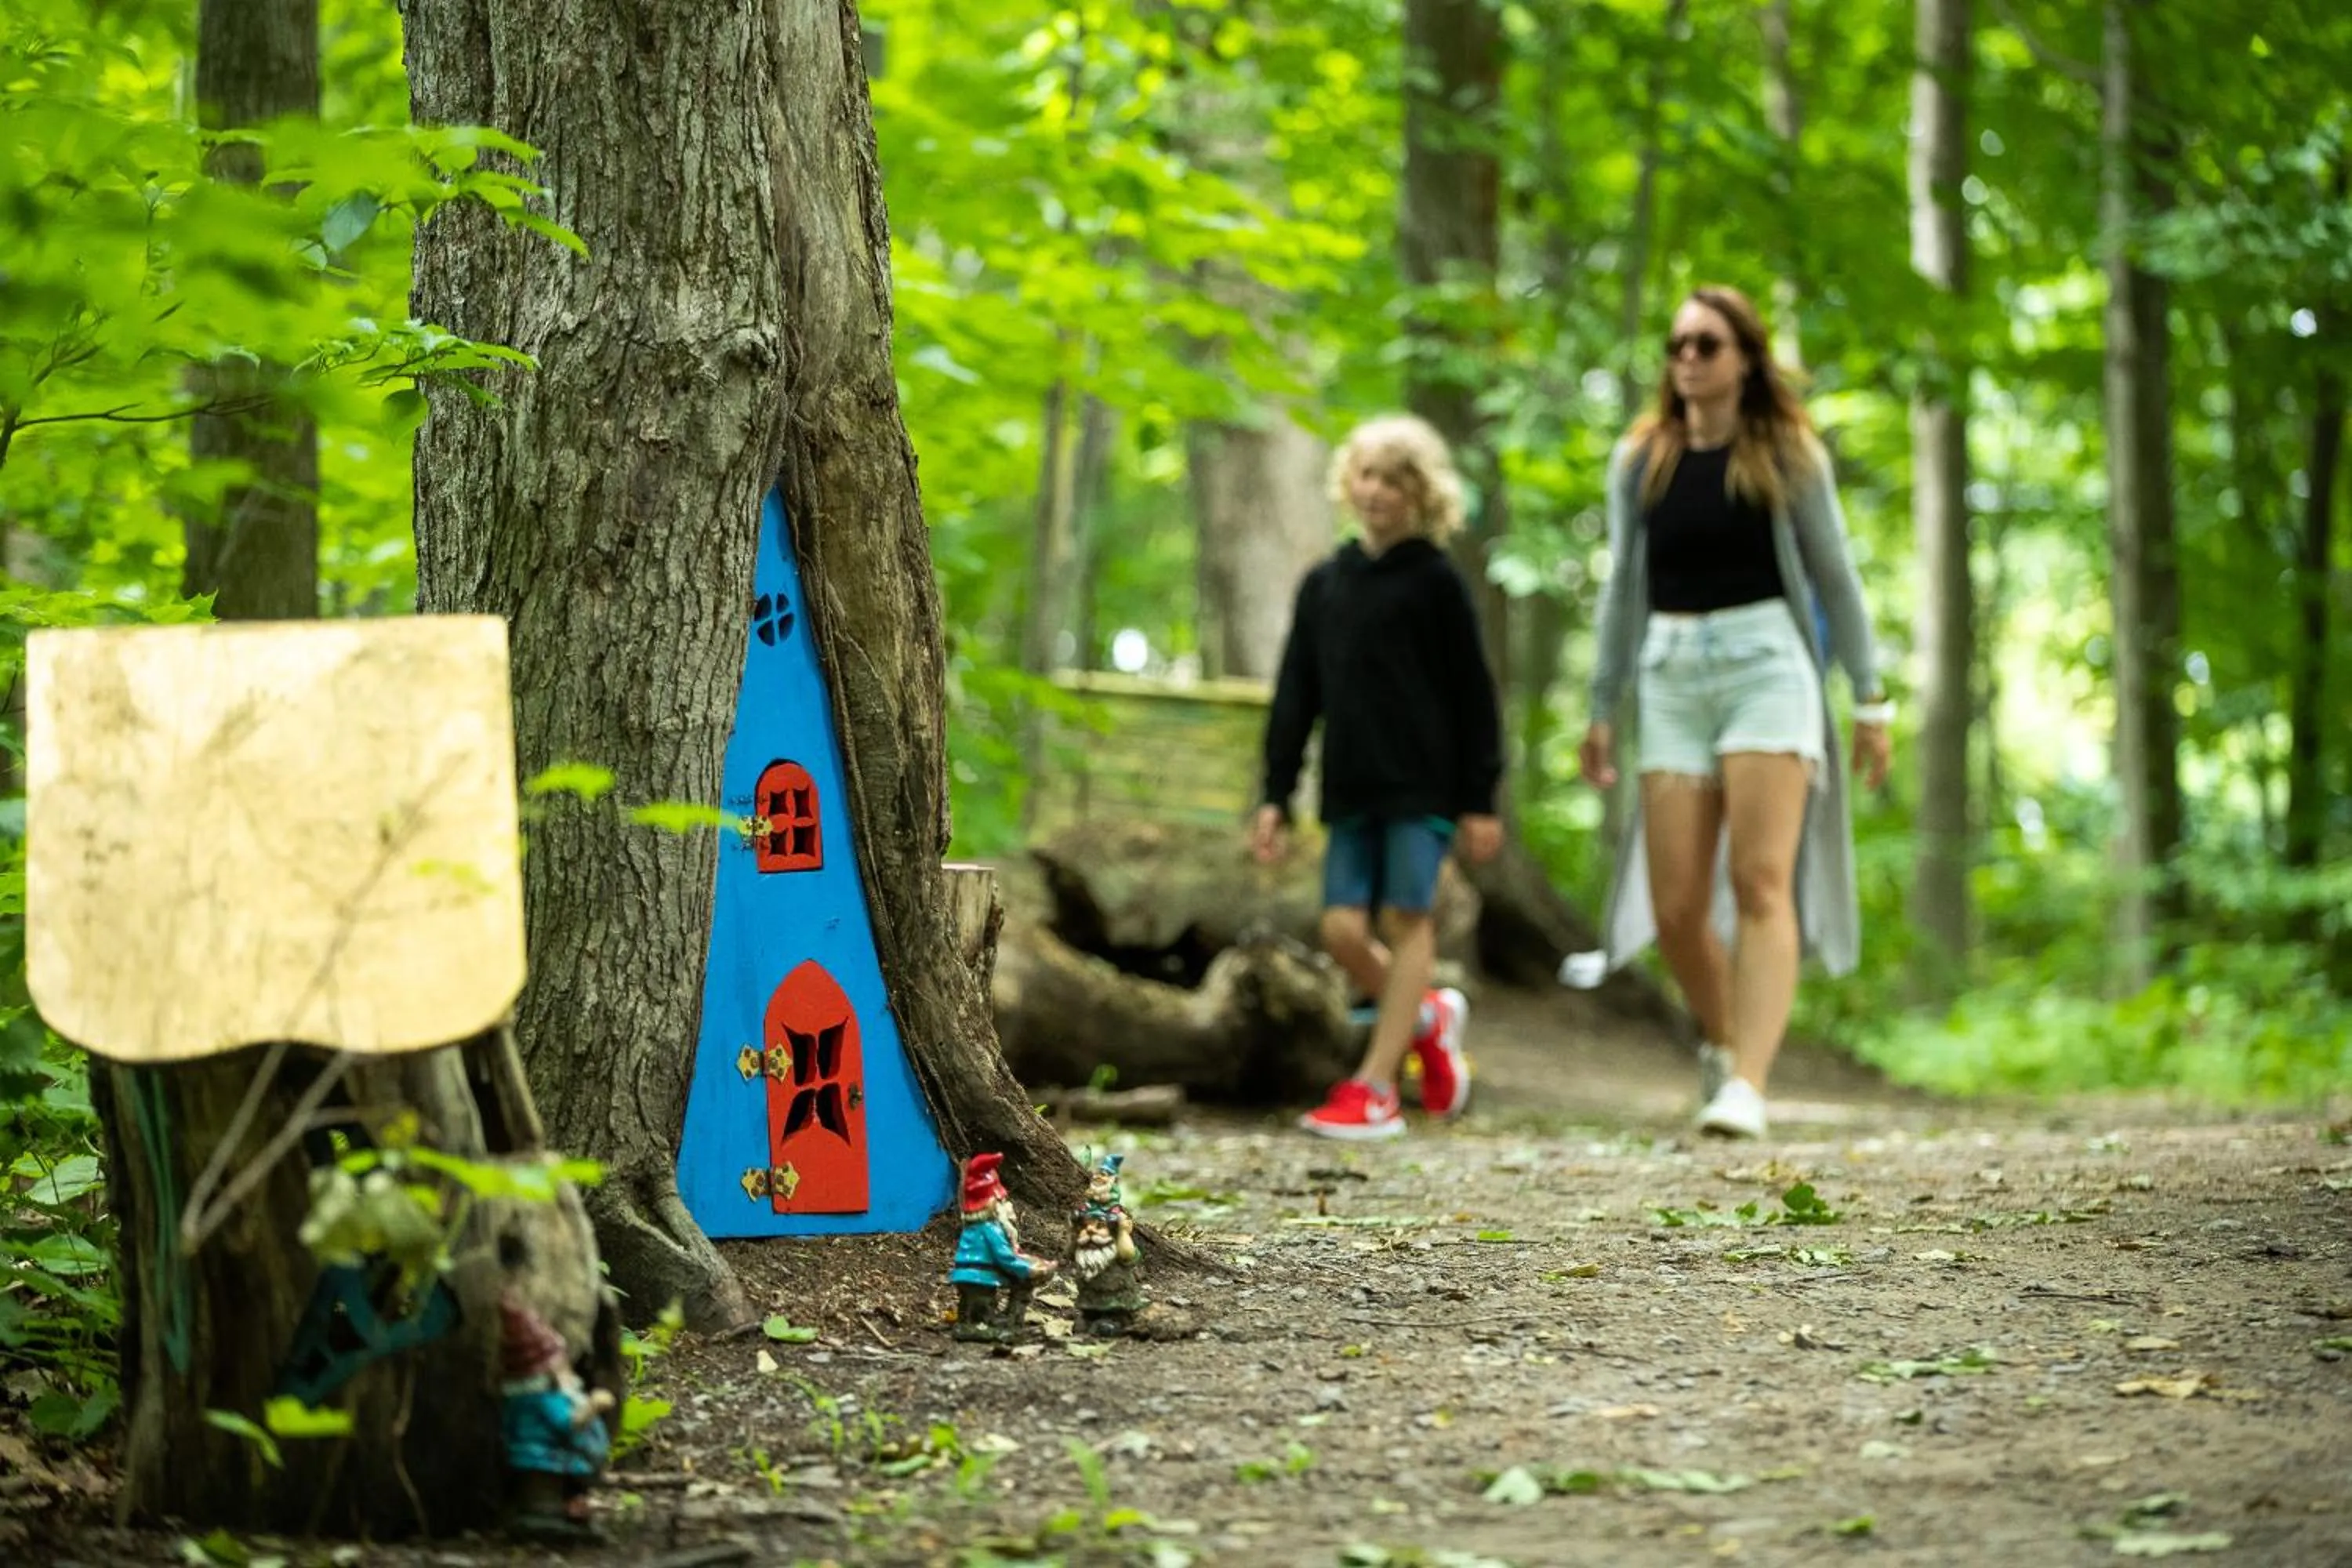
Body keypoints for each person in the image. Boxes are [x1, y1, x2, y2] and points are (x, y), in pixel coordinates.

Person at [1579, 285, 1893, 1140]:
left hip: (1768, 670)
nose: (1688, 357)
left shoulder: (1788, 454)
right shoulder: (1641, 459)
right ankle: (1724, 1043)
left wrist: (1870, 699)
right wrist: (1601, 704)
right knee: (1675, 905)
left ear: (1747, 359)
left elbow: (1837, 579)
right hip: (1671, 673)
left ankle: (1749, 1084)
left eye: (1707, 344)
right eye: (1677, 343)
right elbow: (1622, 589)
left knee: (1760, 880)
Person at [1252, 413, 1504, 1140]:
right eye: (1367, 475)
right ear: (1348, 482)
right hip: (1351, 787)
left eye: (1396, 480)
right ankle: (1427, 1015)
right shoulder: (1325, 584)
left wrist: (1480, 798)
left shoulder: (1438, 584)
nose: (1377, 491)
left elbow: (1474, 695)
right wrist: (1275, 793)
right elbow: (1296, 694)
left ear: (1422, 494)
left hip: (1423, 789)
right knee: (1340, 930)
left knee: (1406, 919)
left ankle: (1376, 1087)